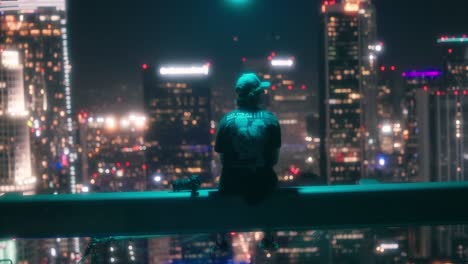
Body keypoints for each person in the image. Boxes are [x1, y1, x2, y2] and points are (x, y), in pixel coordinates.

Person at [215, 73, 281, 204]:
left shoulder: (226, 121)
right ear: (255, 95)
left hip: (231, 189)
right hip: (264, 189)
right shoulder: (271, 119)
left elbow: (224, 159)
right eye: (261, 92)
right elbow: (273, 159)